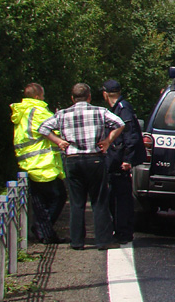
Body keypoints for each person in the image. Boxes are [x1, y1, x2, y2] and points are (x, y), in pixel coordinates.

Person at [38, 83, 125, 250]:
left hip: (73, 159)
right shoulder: (100, 111)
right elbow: (120, 123)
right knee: (99, 201)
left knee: (77, 202)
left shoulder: (62, 114)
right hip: (94, 159)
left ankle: (77, 241)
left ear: (72, 98)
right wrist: (108, 141)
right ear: (89, 97)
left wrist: (58, 141)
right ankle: (103, 240)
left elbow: (43, 128)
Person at [10, 83, 68, 244]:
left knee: (40, 202)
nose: (44, 98)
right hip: (43, 163)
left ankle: (46, 234)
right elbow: (55, 130)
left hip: (27, 162)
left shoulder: (21, 112)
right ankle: (41, 228)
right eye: (42, 95)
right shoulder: (39, 111)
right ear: (37, 96)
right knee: (59, 196)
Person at [101, 79, 147, 244]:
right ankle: (121, 230)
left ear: (105, 94)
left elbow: (130, 135)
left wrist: (127, 159)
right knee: (117, 196)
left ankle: (124, 232)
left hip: (121, 161)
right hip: (118, 159)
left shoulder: (123, 108)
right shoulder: (118, 108)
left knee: (121, 199)